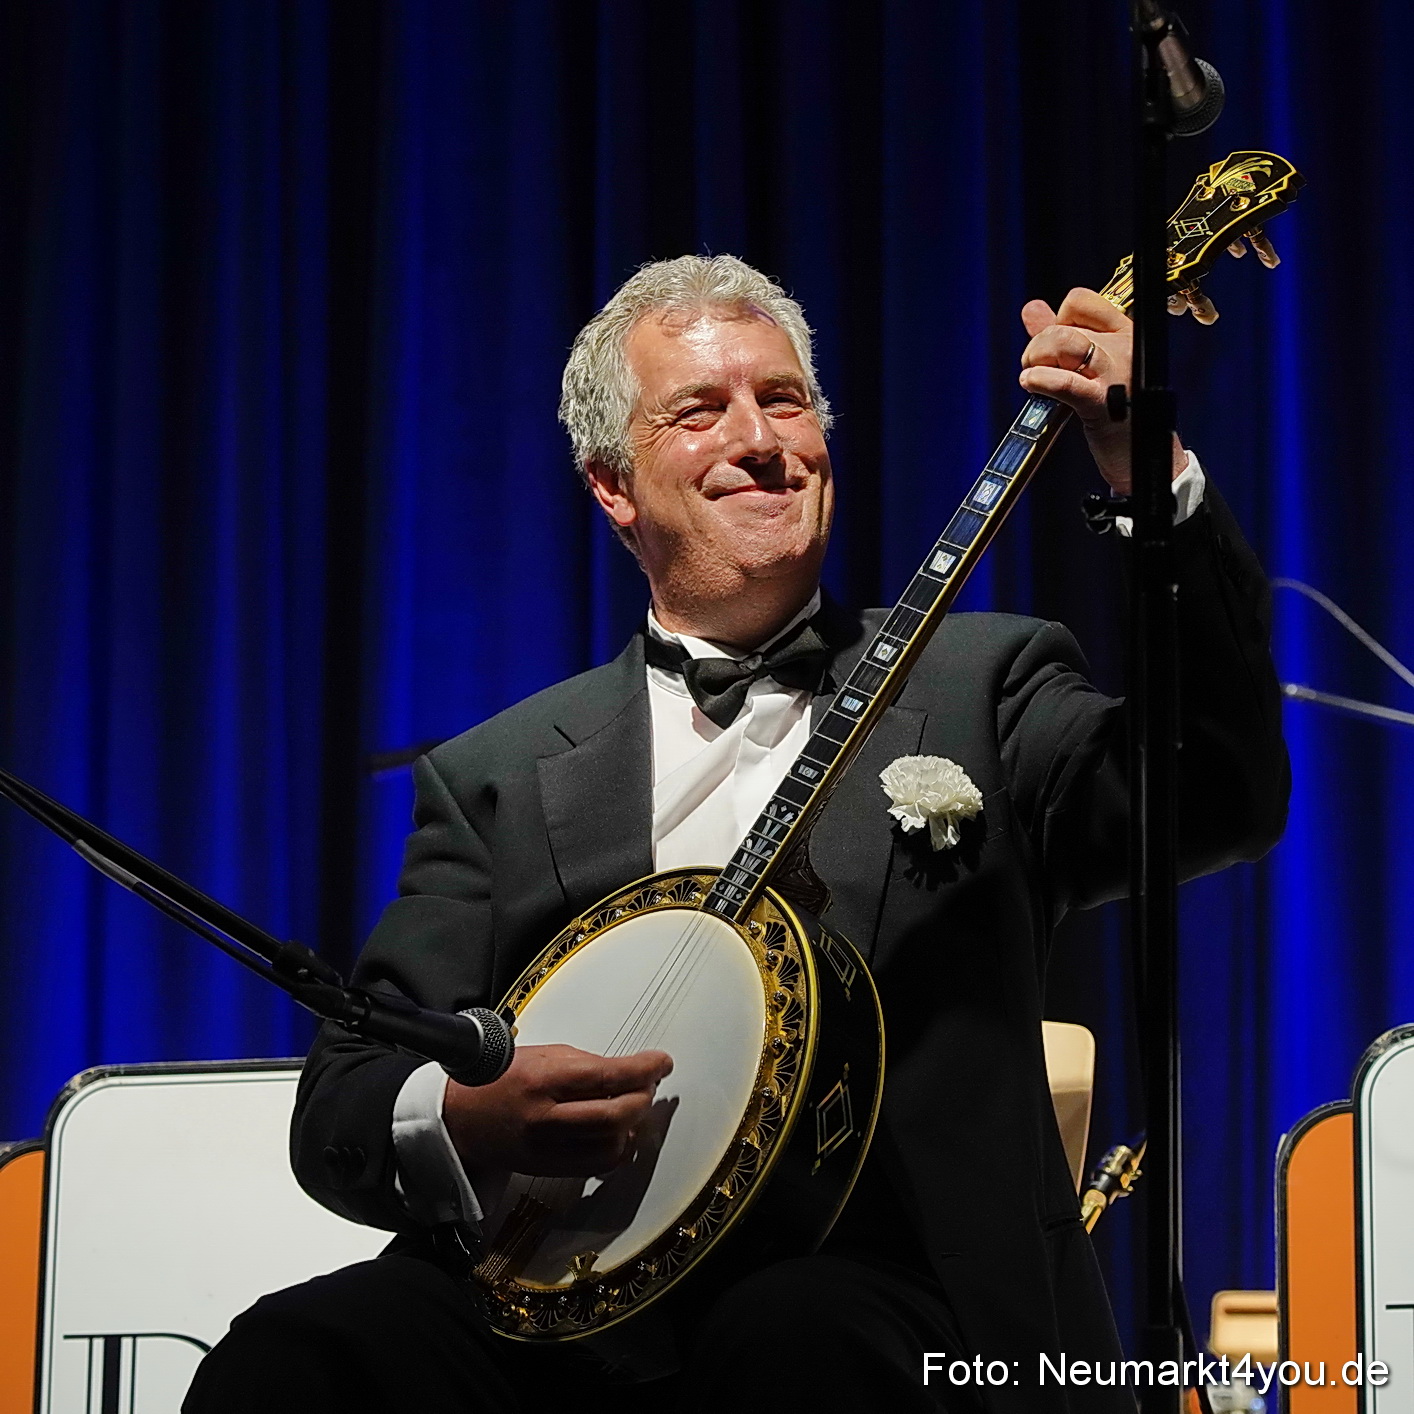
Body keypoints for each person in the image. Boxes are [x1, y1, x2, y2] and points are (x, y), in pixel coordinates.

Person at [185, 255, 1288, 1414]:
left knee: (791, 1339)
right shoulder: (497, 774)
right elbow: (347, 1100)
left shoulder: (983, 683)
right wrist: (466, 1115)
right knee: (298, 1354)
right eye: (699, 411)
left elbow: (1219, 792)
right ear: (613, 486)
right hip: (562, 1322)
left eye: (785, 399)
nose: (760, 438)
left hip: (890, 1307)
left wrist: (1145, 471)